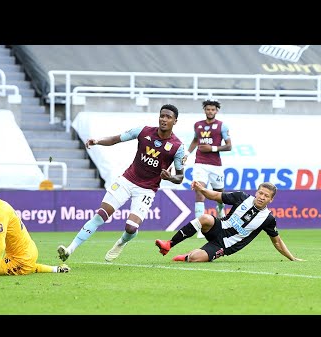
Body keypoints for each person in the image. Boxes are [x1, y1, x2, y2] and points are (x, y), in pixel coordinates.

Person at [57, 104, 185, 263]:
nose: (164, 119)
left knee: (131, 228)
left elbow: (180, 177)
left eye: (168, 117)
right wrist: (97, 141)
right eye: (162, 116)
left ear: (175, 121)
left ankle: (121, 242)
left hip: (146, 190)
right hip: (127, 180)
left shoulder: (177, 147)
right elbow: (116, 139)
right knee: (101, 215)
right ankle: (70, 249)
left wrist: (170, 178)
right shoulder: (143, 131)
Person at [155, 180, 305, 262]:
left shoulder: (268, 219)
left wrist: (291, 258)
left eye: (266, 196)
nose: (262, 197)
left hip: (225, 245)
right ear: (256, 192)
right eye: (260, 193)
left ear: (271, 200)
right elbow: (215, 196)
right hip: (218, 227)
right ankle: (169, 244)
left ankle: (188, 256)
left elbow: (277, 241)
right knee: (206, 218)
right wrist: (201, 189)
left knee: (195, 258)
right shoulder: (242, 197)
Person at [183, 99, 232, 238]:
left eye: (213, 109)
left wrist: (212, 148)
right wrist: (187, 154)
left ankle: (220, 209)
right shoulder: (197, 125)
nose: (210, 111)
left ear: (216, 111)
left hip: (216, 165)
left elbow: (229, 146)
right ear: (204, 110)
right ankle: (200, 228)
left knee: (220, 196)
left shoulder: (222, 126)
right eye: (208, 109)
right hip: (200, 163)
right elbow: (195, 141)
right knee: (199, 192)